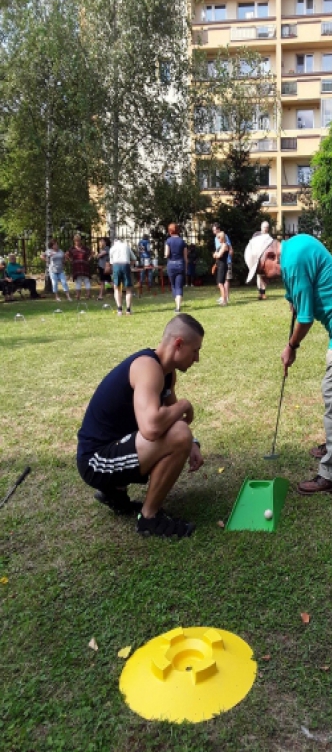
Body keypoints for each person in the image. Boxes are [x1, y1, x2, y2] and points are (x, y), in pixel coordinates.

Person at [244, 232, 332, 496]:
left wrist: (291, 346)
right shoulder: (295, 247)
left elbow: (305, 319)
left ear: (270, 256)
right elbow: (299, 298)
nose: (265, 278)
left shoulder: (292, 261)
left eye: (262, 270)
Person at [77, 314, 205, 537]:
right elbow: (152, 428)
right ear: (178, 344)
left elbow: (170, 412)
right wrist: (185, 404)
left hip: (112, 448)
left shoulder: (166, 373)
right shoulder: (148, 368)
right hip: (94, 461)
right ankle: (149, 518)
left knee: (182, 434)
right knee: (179, 434)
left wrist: (193, 444)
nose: (197, 358)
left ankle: (114, 493)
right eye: (195, 350)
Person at [109, 237, 136, 315]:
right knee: (128, 288)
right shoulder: (126, 246)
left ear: (114, 242)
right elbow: (134, 259)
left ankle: (119, 310)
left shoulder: (112, 248)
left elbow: (111, 262)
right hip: (125, 265)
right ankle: (128, 310)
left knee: (116, 288)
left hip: (116, 266)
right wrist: (129, 265)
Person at [165, 223, 187, 313]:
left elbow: (166, 254)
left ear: (170, 231)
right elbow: (186, 258)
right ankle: (178, 307)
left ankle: (176, 305)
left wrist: (166, 255)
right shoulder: (182, 242)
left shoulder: (168, 241)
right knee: (179, 286)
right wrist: (186, 267)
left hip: (171, 265)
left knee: (173, 285)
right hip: (180, 264)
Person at [66, 234, 92, 301]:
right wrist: (70, 260)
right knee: (78, 282)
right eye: (76, 240)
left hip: (84, 267)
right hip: (76, 267)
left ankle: (88, 295)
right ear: (74, 241)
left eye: (78, 240)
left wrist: (89, 259)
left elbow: (91, 253)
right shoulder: (72, 249)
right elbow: (66, 255)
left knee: (86, 281)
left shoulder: (85, 248)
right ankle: (78, 296)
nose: (77, 242)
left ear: (80, 241)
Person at [212, 223, 233, 304]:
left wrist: (229, 259)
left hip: (226, 262)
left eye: (215, 230)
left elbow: (228, 250)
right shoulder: (216, 239)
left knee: (225, 280)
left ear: (218, 229)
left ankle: (225, 298)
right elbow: (217, 252)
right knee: (221, 282)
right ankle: (223, 297)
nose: (214, 232)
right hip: (220, 262)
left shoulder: (225, 238)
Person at [256, 220, 271, 301]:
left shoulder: (269, 237)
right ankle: (260, 292)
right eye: (265, 227)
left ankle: (263, 292)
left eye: (267, 228)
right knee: (259, 276)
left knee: (264, 276)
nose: (266, 229)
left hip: (266, 259)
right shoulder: (256, 235)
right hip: (257, 259)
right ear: (261, 227)